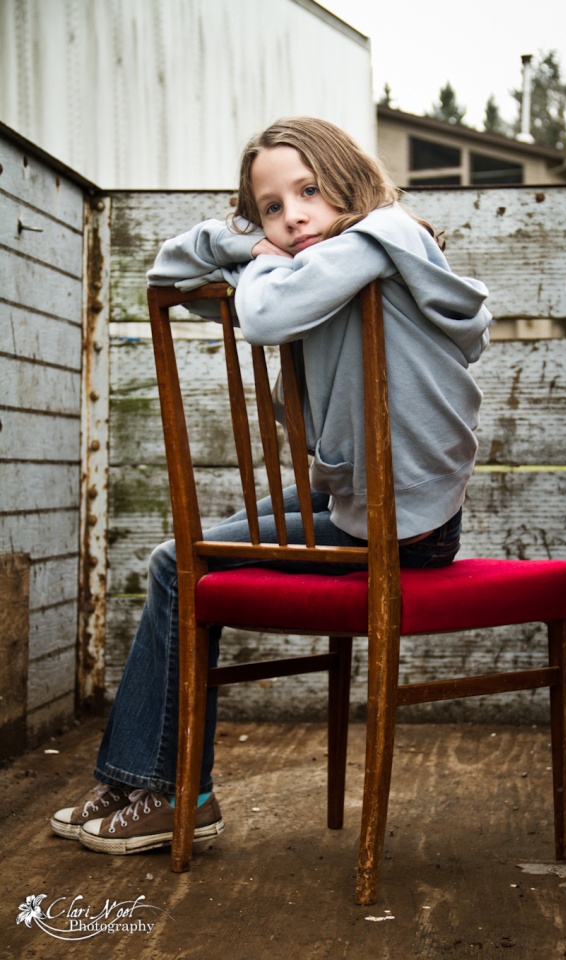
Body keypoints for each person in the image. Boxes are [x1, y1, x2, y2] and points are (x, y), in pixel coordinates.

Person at [51, 117, 492, 855]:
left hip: (395, 523)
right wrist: (249, 243)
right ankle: (140, 784)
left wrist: (256, 261)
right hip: (360, 502)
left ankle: (167, 789)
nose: (293, 216)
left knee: (174, 565)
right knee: (193, 553)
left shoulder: (374, 241)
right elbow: (167, 268)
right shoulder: (320, 259)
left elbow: (259, 314)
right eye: (272, 206)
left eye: (309, 192)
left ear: (349, 182)